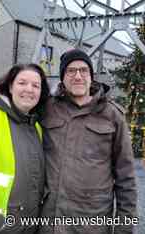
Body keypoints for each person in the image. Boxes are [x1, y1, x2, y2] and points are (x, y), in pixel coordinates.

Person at [38, 49, 137, 234]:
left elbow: (126, 179)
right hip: (49, 224)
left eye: (83, 70)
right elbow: (17, 112)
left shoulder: (112, 115)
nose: (78, 76)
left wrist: (124, 229)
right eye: (71, 71)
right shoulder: (47, 108)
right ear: (63, 77)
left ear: (91, 77)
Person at [0, 64, 50, 233]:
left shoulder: (37, 128)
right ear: (10, 87)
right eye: (22, 83)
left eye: (36, 85)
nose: (29, 89)